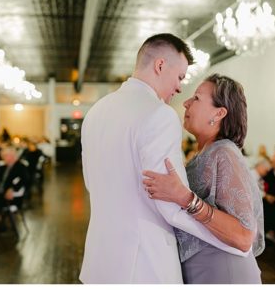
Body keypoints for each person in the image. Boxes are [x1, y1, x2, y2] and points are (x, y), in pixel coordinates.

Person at [78, 33, 244, 284]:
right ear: (160, 65)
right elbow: (171, 206)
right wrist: (233, 240)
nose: (179, 87)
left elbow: (91, 183)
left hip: (99, 262)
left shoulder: (96, 112)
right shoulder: (159, 114)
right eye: (179, 77)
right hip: (144, 265)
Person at [142, 74, 264, 283]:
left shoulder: (224, 153)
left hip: (224, 271)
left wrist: (185, 198)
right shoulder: (206, 153)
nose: (187, 103)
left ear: (219, 113)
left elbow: (244, 237)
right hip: (204, 270)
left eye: (196, 98)